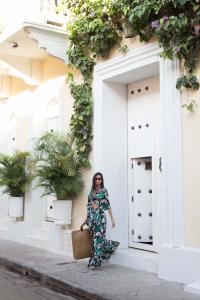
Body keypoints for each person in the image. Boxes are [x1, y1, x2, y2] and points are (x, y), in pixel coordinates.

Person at [82, 172, 120, 268]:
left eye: (99, 179)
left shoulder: (104, 191)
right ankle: (110, 246)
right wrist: (85, 219)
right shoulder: (91, 192)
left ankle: (95, 262)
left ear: (102, 180)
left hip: (100, 218)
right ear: (94, 180)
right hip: (92, 219)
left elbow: (108, 205)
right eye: (96, 179)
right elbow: (88, 207)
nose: (98, 180)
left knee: (97, 240)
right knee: (95, 240)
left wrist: (112, 219)